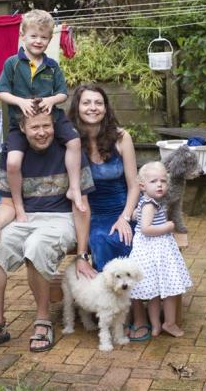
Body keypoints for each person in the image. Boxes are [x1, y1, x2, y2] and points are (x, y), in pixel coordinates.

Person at [0, 108, 96, 354]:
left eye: (46, 126)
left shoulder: (70, 152)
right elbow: (6, 204)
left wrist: (82, 254)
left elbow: (82, 207)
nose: (41, 132)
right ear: (23, 129)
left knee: (37, 245)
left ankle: (42, 319)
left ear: (54, 126)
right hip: (24, 217)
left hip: (61, 218)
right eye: (35, 127)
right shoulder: (13, 153)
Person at [0, 9, 85, 222]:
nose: (38, 41)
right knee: (13, 162)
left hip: (51, 118)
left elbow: (63, 93)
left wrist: (52, 100)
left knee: (74, 141)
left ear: (49, 39)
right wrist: (20, 101)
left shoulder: (53, 67)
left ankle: (73, 188)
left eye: (44, 37)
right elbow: (0, 91)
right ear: (22, 36)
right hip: (20, 123)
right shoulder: (12, 64)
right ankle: (18, 205)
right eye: (33, 36)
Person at [68, 84, 140, 272]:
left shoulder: (122, 138)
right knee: (100, 238)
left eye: (98, 103)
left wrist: (124, 217)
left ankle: (137, 295)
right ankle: (105, 295)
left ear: (105, 108)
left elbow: (134, 186)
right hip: (92, 214)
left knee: (128, 237)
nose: (93, 107)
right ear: (77, 107)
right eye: (86, 103)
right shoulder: (69, 141)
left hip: (124, 209)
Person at [129, 161, 192, 337]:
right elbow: (146, 229)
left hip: (151, 249)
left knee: (156, 293)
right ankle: (168, 323)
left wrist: (137, 213)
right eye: (154, 181)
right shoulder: (151, 204)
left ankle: (156, 326)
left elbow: (136, 216)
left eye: (163, 181)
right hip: (156, 250)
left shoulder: (146, 201)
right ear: (142, 186)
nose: (159, 185)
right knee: (172, 289)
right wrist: (168, 226)